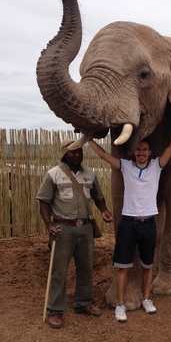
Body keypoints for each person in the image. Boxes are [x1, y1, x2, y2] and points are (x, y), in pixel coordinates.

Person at [88, 120, 171, 323]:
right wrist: (88, 139)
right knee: (123, 266)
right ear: (134, 152)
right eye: (138, 150)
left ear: (150, 152)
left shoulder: (156, 166)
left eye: (144, 150)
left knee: (147, 264)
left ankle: (146, 298)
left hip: (148, 223)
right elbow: (104, 155)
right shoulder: (125, 166)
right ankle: (121, 304)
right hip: (128, 223)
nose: (141, 153)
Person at [36, 139, 113, 329]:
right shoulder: (53, 174)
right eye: (73, 152)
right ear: (65, 154)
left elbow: (98, 196)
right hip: (62, 229)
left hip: (85, 228)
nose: (78, 155)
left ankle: (83, 304)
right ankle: (55, 310)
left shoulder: (89, 174)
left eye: (80, 152)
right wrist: (49, 225)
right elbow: (44, 202)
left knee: (86, 268)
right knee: (59, 271)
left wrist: (103, 210)